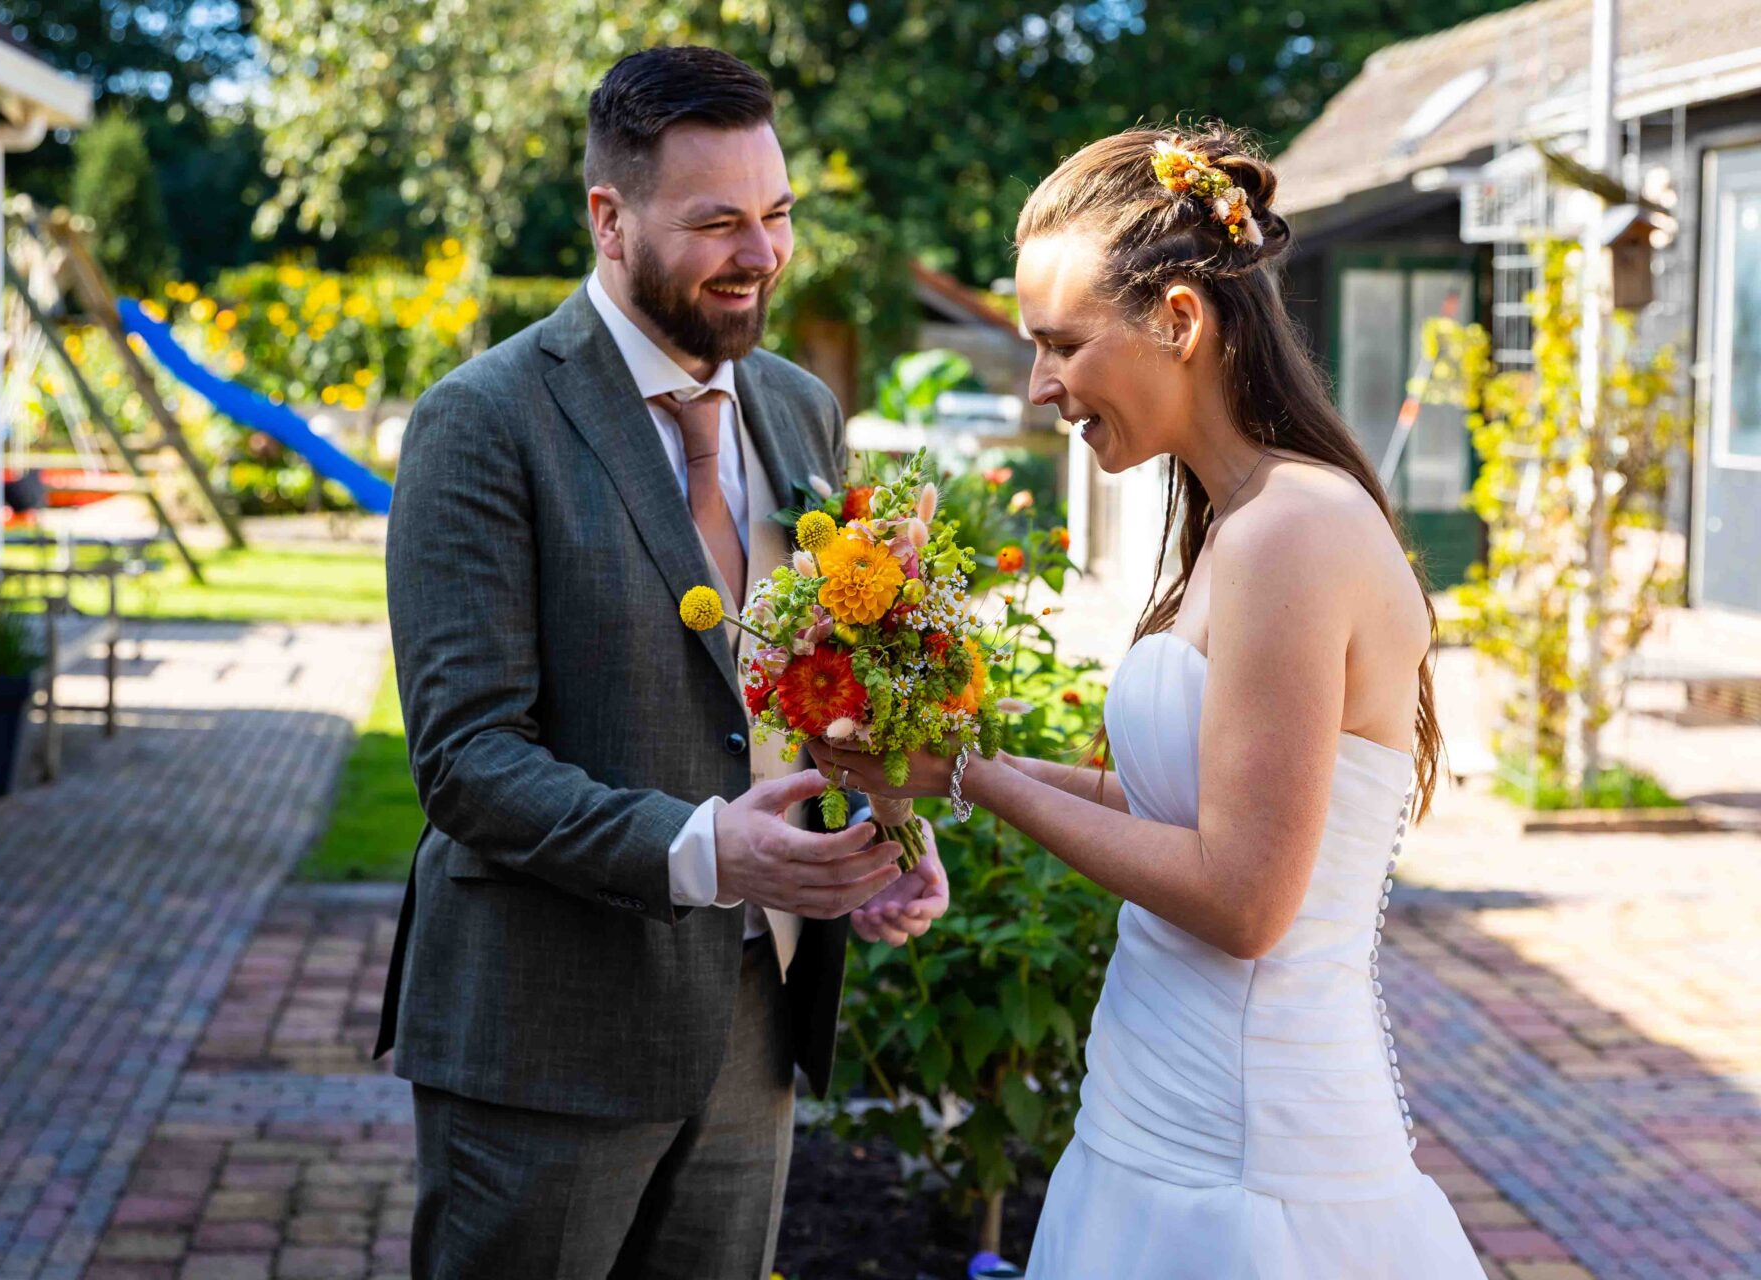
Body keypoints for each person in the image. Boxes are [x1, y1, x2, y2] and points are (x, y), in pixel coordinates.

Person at [816, 125, 1482, 1278]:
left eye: (1059, 343)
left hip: (1248, 1164)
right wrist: (946, 764)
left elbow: (1241, 899)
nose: (1039, 385)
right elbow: (1165, 800)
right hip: (1155, 1115)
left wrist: (975, 781)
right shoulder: (1241, 523)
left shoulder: (1293, 531)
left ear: (1181, 318)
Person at [374, 45, 949, 1279]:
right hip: (547, 1036)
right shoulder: (481, 421)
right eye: (719, 222)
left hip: (755, 1029)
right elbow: (467, 761)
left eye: (779, 213)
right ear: (609, 216)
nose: (763, 253)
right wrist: (707, 848)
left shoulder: (799, 408)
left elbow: (816, 689)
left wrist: (886, 826)